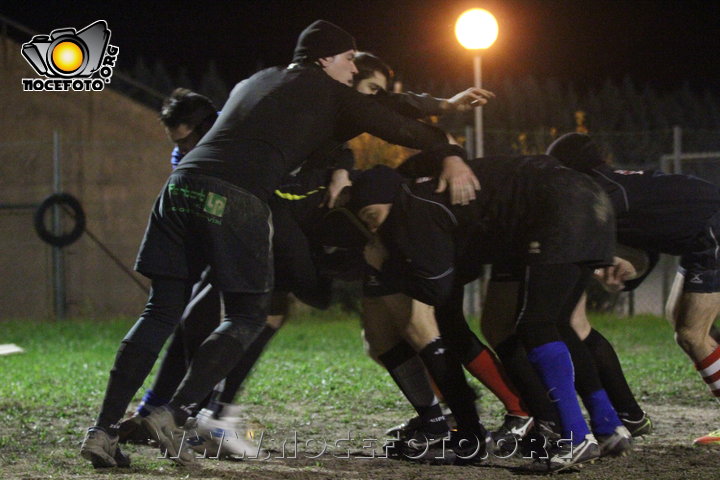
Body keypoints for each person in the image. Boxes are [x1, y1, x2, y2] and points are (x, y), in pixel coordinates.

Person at [80, 19, 480, 469]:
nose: (353, 69)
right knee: (250, 315)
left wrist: (438, 103)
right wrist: (449, 148)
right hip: (236, 198)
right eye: (349, 59)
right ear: (326, 57)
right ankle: (174, 412)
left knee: (160, 311)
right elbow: (395, 125)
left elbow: (382, 102)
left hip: (179, 188)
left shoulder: (258, 80)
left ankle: (103, 430)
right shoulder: (330, 91)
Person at [349, 154, 630, 471]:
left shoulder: (413, 206)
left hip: (560, 206)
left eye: (372, 214)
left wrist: (385, 266)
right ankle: (606, 424)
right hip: (589, 198)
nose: (373, 226)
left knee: (535, 326)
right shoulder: (430, 199)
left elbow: (436, 290)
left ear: (390, 197)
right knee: (554, 324)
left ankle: (574, 437)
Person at [546, 132, 720, 447]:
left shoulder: (600, 190)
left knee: (693, 334)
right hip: (703, 234)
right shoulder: (616, 184)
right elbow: (648, 245)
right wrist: (628, 273)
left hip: (712, 231)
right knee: (684, 326)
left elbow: (586, 227)